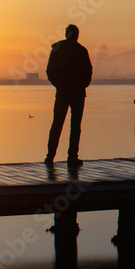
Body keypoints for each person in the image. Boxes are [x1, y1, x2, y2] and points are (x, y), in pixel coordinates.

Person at [45, 24, 93, 167]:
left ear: (67, 34)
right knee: (74, 127)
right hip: (76, 93)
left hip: (64, 93)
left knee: (57, 125)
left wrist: (59, 85)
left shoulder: (58, 48)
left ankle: (50, 157)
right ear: (77, 35)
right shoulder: (82, 50)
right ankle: (72, 157)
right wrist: (82, 85)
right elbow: (88, 72)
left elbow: (50, 71)